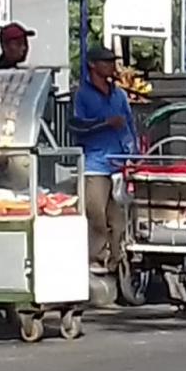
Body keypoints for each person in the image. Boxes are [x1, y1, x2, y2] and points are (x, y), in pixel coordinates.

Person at [70, 46, 137, 275]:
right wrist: (104, 123)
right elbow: (76, 126)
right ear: (93, 65)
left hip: (119, 162)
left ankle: (117, 260)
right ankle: (95, 258)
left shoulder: (119, 95)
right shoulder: (82, 95)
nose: (111, 66)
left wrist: (133, 154)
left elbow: (129, 125)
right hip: (95, 164)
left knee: (118, 218)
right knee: (96, 214)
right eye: (106, 62)